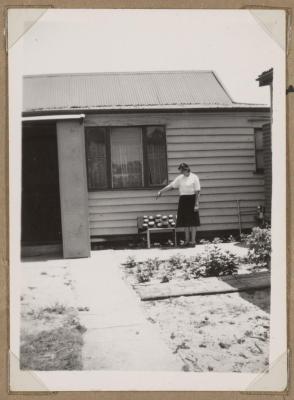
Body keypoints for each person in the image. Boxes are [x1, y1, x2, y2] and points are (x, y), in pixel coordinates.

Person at [156, 163, 200, 247]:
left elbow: (197, 191)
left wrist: (196, 204)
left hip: (192, 199)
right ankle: (187, 241)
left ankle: (193, 241)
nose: (181, 172)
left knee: (193, 222)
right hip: (183, 200)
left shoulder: (194, 177)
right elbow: (171, 186)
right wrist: (161, 191)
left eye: (182, 170)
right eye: (180, 170)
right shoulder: (180, 178)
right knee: (185, 222)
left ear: (187, 169)